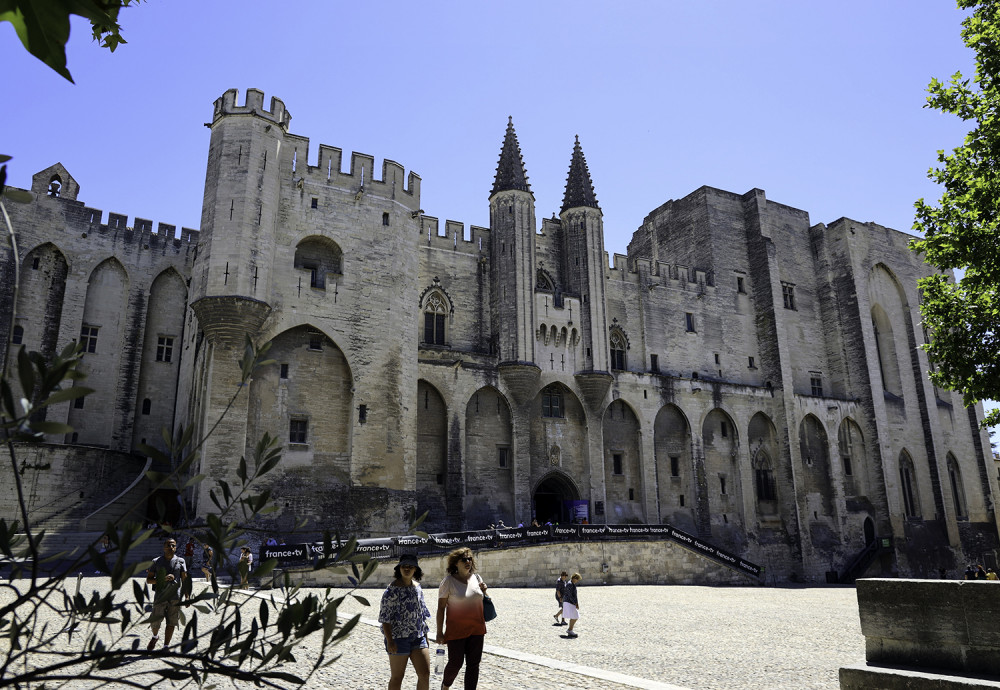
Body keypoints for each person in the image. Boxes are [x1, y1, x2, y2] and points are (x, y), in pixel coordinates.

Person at [436, 548, 488, 690]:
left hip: (477, 629)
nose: (468, 562)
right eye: (464, 559)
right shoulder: (448, 582)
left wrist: (485, 591)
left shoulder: (477, 578)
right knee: (455, 663)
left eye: (469, 559)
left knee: (473, 665)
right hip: (456, 630)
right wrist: (439, 632)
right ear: (455, 563)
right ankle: (446, 685)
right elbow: (441, 608)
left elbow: (481, 600)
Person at [379, 554, 432, 690]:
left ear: (415, 570)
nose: (407, 569)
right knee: (397, 677)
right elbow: (385, 618)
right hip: (398, 639)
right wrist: (390, 640)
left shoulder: (418, 588)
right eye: (404, 566)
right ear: (399, 569)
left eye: (410, 566)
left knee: (425, 674)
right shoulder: (391, 591)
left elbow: (421, 614)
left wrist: (425, 636)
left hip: (418, 637)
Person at [146, 537, 187, 651]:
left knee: (172, 622)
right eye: (168, 545)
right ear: (164, 547)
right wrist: (162, 579)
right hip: (160, 597)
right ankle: (155, 636)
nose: (171, 547)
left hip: (175, 597)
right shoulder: (156, 561)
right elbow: (149, 580)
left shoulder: (181, 561)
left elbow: (185, 580)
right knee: (155, 621)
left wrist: (187, 596)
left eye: (173, 545)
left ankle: (166, 646)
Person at [562, 573, 581, 638]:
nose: (577, 581)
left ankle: (570, 629)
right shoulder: (570, 584)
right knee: (575, 616)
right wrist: (574, 603)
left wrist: (577, 603)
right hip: (568, 602)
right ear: (574, 578)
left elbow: (575, 595)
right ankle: (570, 630)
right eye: (577, 579)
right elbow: (569, 595)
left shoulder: (572, 584)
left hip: (571, 602)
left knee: (575, 616)